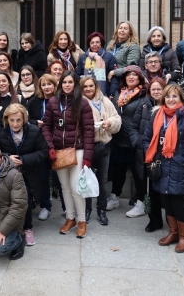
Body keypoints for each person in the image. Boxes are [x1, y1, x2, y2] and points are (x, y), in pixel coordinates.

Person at [143, 84, 184, 253]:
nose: (171, 100)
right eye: (168, 96)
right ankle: (173, 233)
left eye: (175, 97)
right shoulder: (157, 116)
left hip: (180, 167)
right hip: (162, 166)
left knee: (177, 202)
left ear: (181, 99)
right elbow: (147, 138)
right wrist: (151, 156)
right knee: (166, 201)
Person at [42, 71, 95, 239]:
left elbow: (88, 131)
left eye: (70, 82)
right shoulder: (52, 102)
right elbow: (46, 126)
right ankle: (70, 218)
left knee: (75, 187)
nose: (67, 85)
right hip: (59, 151)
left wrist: (87, 156)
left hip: (77, 149)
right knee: (64, 187)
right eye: (64, 82)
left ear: (75, 84)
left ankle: (81, 220)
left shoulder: (83, 104)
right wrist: (50, 146)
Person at [0, 104, 49, 246]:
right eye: (12, 120)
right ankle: (8, 227)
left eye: (18, 120)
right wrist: (6, 158)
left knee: (26, 200)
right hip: (6, 173)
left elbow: (43, 151)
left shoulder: (34, 131)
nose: (15, 124)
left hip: (28, 172)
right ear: (6, 119)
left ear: (24, 119)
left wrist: (23, 160)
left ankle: (28, 228)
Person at [81, 76, 122, 225]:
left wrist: (109, 123)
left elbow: (117, 118)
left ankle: (101, 210)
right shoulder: (79, 102)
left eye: (91, 86)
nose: (88, 89)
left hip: (104, 144)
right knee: (86, 179)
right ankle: (87, 209)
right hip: (87, 146)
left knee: (102, 180)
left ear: (96, 86)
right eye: (85, 86)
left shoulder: (105, 101)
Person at [108, 65, 148, 216]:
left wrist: (138, 138)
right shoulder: (119, 93)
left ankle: (141, 203)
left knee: (139, 173)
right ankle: (114, 197)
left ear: (139, 78)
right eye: (128, 75)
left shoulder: (143, 95)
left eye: (134, 75)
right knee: (117, 171)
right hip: (119, 139)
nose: (131, 77)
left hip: (134, 140)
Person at [130, 77, 166, 232]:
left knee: (162, 189)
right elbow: (133, 126)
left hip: (164, 154)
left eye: (159, 89)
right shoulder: (144, 106)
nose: (156, 92)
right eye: (153, 89)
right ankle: (154, 219)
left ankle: (172, 218)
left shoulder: (169, 105)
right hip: (146, 153)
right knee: (151, 189)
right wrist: (138, 143)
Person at [26, 73, 59, 216]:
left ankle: (67, 207)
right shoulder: (34, 101)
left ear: (54, 85)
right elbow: (27, 119)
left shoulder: (60, 100)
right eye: (43, 84)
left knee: (60, 177)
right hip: (40, 142)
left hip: (58, 141)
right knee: (43, 176)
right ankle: (46, 206)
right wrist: (35, 122)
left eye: (49, 84)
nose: (46, 87)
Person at [76, 32, 118, 97]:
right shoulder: (83, 57)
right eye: (92, 43)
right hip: (85, 92)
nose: (95, 44)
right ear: (89, 44)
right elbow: (77, 75)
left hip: (104, 92)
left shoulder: (109, 57)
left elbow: (114, 78)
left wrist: (111, 93)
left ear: (101, 43)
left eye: (97, 42)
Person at [107, 22, 141, 93]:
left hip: (122, 81)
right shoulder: (111, 44)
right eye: (120, 28)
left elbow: (132, 67)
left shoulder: (133, 47)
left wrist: (114, 72)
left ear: (130, 33)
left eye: (125, 29)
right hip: (108, 79)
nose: (122, 30)